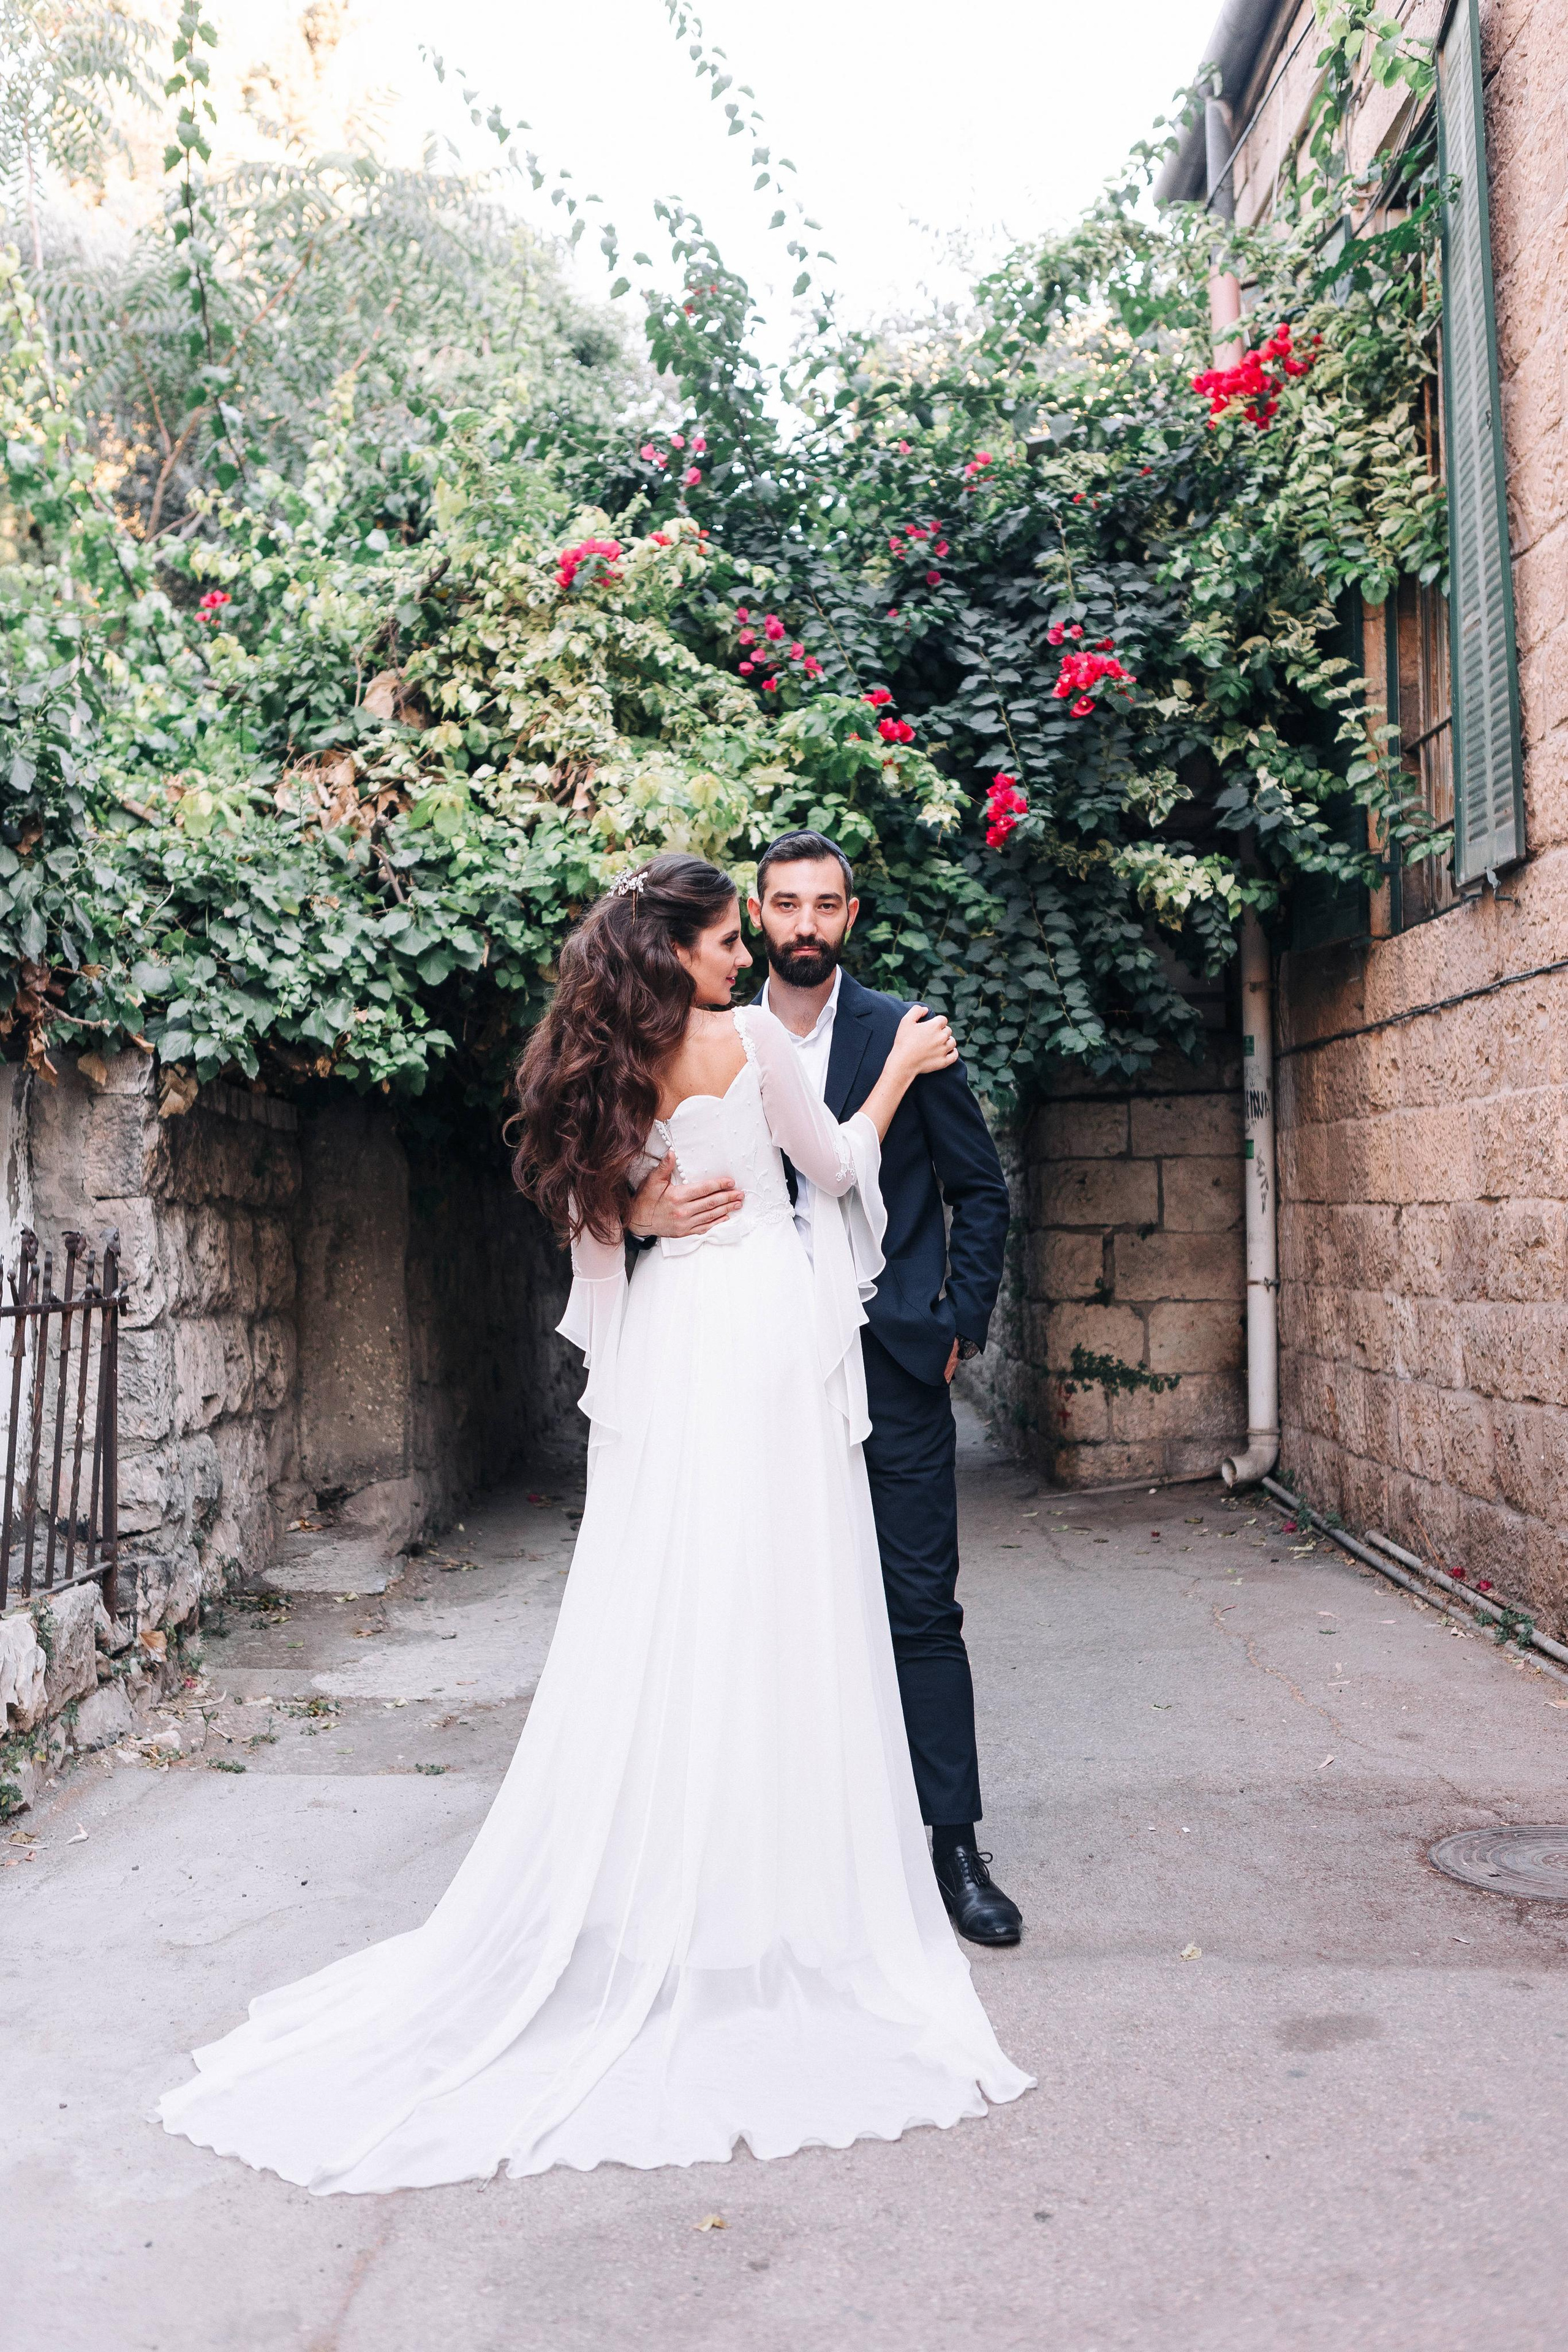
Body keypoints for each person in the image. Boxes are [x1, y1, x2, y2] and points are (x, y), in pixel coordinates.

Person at [157, 853, 1031, 2193]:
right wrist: (902, 1069)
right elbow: (839, 1164)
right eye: (731, 936)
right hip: (757, 1340)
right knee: (783, 1595)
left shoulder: (602, 1053)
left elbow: (574, 1201)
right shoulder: (743, 1039)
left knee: (670, 1591)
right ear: (682, 948)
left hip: (678, 1336)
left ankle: (668, 1880)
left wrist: (637, 1206)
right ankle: (775, 1885)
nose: (748, 955)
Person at [628, 831, 1020, 1945]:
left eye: (827, 906)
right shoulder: (699, 1031)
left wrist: (957, 1326)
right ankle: (801, 1856)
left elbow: (976, 1190)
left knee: (917, 1608)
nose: (805, 925)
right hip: (754, 1366)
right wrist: (642, 1215)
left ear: (852, 915)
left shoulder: (903, 1031)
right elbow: (605, 1172)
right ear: (754, 917)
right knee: (773, 1608)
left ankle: (953, 1851)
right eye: (785, 906)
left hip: (890, 1358)